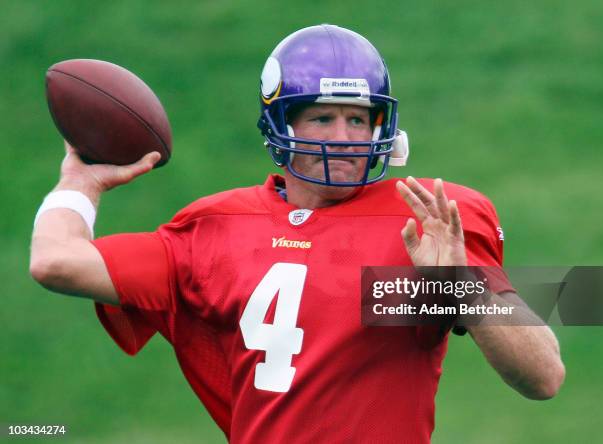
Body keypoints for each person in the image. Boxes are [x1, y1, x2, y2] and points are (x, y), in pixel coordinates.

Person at [30, 24, 565, 443]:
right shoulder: (216, 227)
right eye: (321, 119)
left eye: (359, 120)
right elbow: (55, 262)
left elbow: (543, 376)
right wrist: (80, 183)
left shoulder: (423, 220)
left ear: (384, 127)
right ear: (279, 126)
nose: (343, 137)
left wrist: (457, 285)